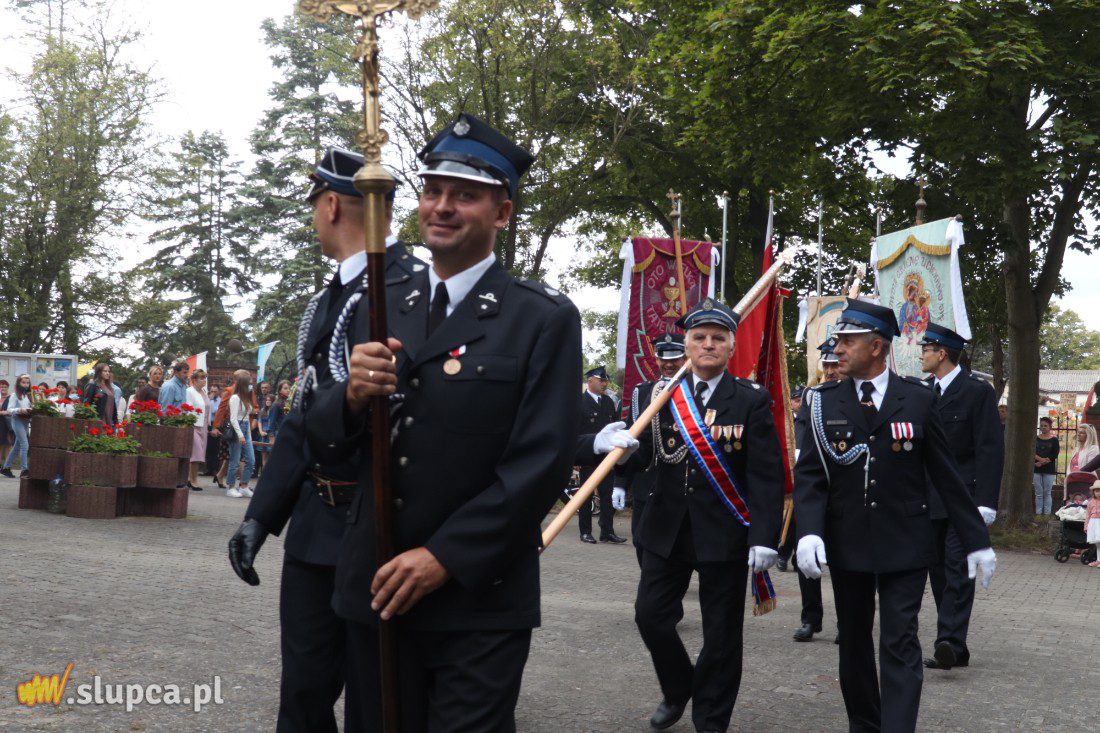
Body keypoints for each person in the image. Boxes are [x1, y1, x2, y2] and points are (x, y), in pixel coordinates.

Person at [300, 115, 580, 731]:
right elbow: (317, 440)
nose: (442, 207)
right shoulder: (377, 299)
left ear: (501, 213)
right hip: (375, 585)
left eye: (465, 195)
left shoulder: (540, 319)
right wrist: (349, 397)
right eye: (432, 191)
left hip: (478, 597)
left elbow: (540, 463)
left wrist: (444, 556)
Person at [227, 149, 428, 732]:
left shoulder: (413, 292)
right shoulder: (329, 300)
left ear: (333, 203)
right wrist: (261, 518)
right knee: (304, 698)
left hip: (381, 530)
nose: (312, 216)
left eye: (314, 204)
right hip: (317, 532)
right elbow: (302, 419)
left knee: (377, 703)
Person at [794, 298, 996, 733]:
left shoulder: (919, 400)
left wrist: (976, 539)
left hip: (906, 542)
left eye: (849, 340)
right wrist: (808, 532)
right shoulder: (822, 402)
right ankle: (864, 725)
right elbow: (810, 476)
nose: (838, 349)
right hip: (847, 542)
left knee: (900, 640)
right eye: (838, 340)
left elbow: (946, 476)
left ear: (878, 346)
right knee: (853, 644)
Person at [596, 299, 784, 733]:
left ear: (730, 347)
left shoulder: (751, 399)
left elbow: (766, 474)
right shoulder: (659, 396)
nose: (708, 345)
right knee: (651, 615)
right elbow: (646, 457)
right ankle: (679, 686)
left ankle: (711, 719)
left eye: (718, 338)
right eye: (699, 337)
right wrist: (623, 464)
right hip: (664, 528)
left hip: (725, 530)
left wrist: (764, 536)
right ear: (687, 345)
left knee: (721, 635)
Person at [918, 322, 1003, 672]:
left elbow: (989, 448)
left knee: (957, 568)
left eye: (926, 349)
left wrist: (985, 503)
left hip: (964, 498)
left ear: (942, 353)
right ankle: (957, 645)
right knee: (938, 571)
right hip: (927, 499)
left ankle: (948, 641)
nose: (920, 354)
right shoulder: (923, 392)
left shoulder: (975, 392)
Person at [784, 337, 843, 642]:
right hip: (815, 484)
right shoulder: (812, 395)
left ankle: (848, 621)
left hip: (844, 483)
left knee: (846, 557)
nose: (831, 370)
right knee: (805, 553)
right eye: (827, 365)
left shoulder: (856, 394)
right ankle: (811, 617)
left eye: (835, 364)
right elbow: (805, 430)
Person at [618, 333, 687, 566]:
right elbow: (633, 440)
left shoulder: (694, 391)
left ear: (685, 357)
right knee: (640, 540)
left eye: (675, 358)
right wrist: (620, 483)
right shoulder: (643, 391)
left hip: (681, 482)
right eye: (662, 359)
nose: (668, 364)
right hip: (647, 480)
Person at [576, 365, 626, 544]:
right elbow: (575, 430)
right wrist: (575, 456)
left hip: (607, 455)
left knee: (607, 494)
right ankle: (585, 531)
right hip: (587, 454)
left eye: (606, 380)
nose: (605, 383)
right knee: (586, 494)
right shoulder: (579, 401)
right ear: (590, 381)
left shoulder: (608, 402)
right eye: (601, 380)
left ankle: (607, 531)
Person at [225, 369, 257, 498]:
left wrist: (247, 433)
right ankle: (231, 487)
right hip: (237, 429)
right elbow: (233, 419)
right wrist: (240, 435)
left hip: (245, 429)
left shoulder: (246, 398)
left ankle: (244, 485)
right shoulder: (234, 398)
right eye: (249, 383)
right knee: (235, 460)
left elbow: (246, 417)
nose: (251, 385)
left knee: (251, 460)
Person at [1, 374, 33, 477]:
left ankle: (5, 468)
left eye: (27, 383)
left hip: (25, 421)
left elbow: (29, 407)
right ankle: (24, 469)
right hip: (17, 420)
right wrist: (21, 410)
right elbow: (9, 410)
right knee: (25, 445)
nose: (26, 384)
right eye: (23, 382)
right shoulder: (14, 395)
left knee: (17, 446)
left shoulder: (27, 395)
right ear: (18, 383)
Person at [186, 369, 210, 491]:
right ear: (194, 380)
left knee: (200, 454)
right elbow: (188, 408)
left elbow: (207, 409)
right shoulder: (189, 391)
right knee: (196, 453)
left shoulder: (204, 392)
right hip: (194, 425)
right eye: (201, 378)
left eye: (205, 377)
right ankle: (193, 480)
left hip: (204, 425)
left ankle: (191, 478)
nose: (204, 380)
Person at [1034, 416, 1059, 515]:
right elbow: (1031, 451)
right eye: (1041, 426)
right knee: (1038, 493)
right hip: (1036, 468)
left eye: (1045, 426)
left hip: (1049, 469)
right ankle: (1038, 514)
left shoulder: (1054, 440)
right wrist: (1039, 460)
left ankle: (1047, 515)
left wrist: (1043, 462)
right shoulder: (1035, 438)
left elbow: (1055, 454)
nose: (1043, 427)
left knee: (1047, 493)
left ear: (1050, 427)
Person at [1086, 481, 1100, 567]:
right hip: (1093, 523)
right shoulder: (1090, 502)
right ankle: (1098, 560)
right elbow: (1087, 514)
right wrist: (1086, 525)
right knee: (1097, 543)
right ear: (1093, 492)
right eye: (1097, 491)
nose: (1099, 493)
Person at [0, 379, 12, 466]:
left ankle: (7, 466)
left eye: (5, 386)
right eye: (1, 386)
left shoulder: (11, 397)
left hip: (7, 424)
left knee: (8, 445)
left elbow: (11, 410)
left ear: (8, 387)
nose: (3, 388)